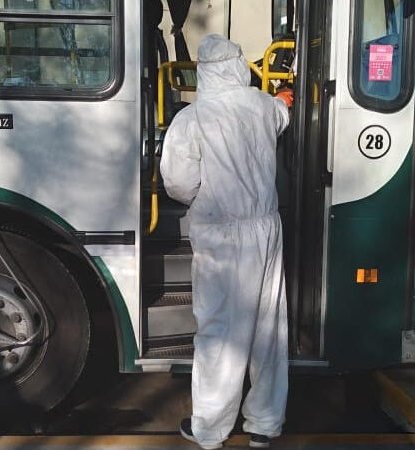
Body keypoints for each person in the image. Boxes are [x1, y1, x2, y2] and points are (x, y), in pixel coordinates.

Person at [160, 34, 292, 450]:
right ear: (238, 66)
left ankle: (211, 428)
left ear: (203, 71)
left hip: (220, 234)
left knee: (219, 330)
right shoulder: (263, 107)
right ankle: (264, 425)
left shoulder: (192, 118)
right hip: (266, 228)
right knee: (268, 328)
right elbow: (283, 115)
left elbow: (179, 185)